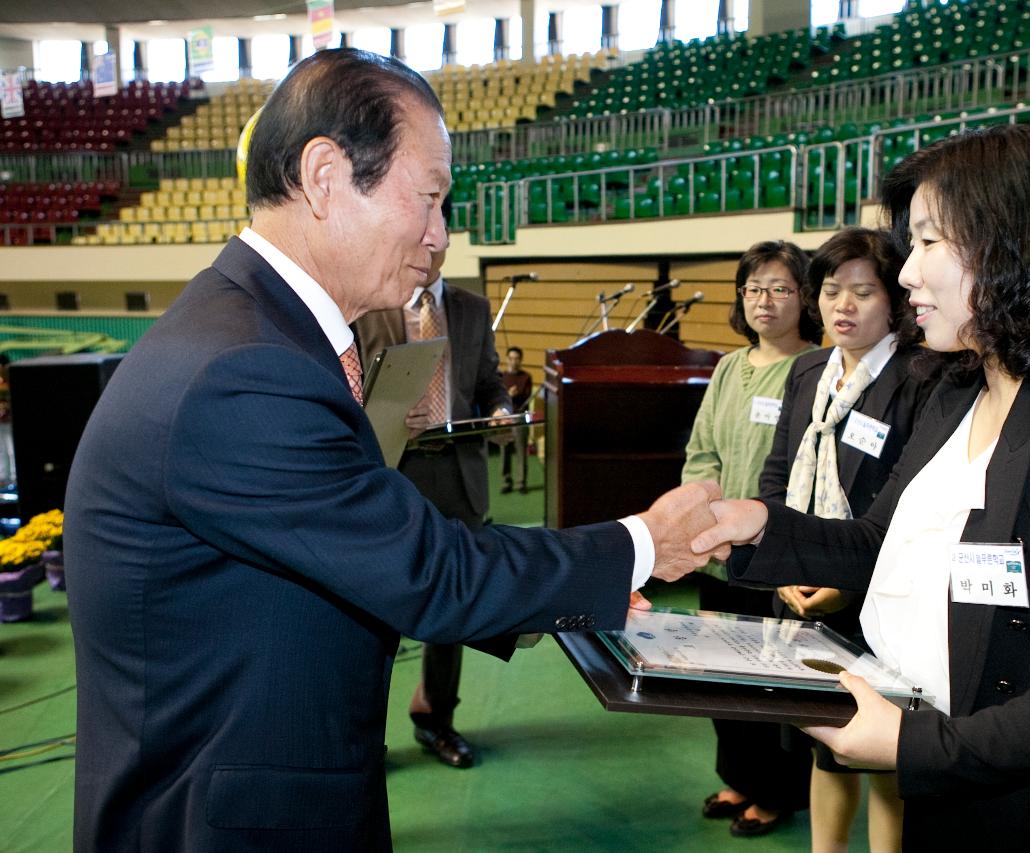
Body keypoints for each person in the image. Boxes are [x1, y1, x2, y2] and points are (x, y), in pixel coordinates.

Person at [64, 48, 721, 852]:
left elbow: (366, 548)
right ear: (326, 175)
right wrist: (644, 543)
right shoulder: (247, 369)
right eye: (432, 198)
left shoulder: (257, 332)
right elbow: (428, 570)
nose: (441, 234)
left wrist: (572, 592)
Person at [692, 124, 1030, 851]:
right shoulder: (956, 390)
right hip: (959, 800)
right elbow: (881, 545)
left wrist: (913, 746)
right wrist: (759, 526)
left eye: (929, 242)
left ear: (1013, 245)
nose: (907, 272)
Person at [757, 227, 934, 853]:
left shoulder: (919, 379)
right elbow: (776, 474)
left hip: (876, 596)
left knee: (887, 754)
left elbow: (914, 506)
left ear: (894, 302)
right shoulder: (808, 371)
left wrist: (844, 579)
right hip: (800, 591)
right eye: (833, 291)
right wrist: (780, 559)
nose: (844, 307)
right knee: (823, 743)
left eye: (863, 292)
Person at [354, 207, 510, 770]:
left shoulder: (471, 308)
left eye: (436, 236)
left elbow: (490, 382)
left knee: (451, 609)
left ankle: (437, 720)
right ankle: (361, 732)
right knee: (375, 610)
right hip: (392, 474)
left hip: (459, 475)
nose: (427, 246)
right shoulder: (371, 304)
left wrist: (499, 410)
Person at [682, 240, 823, 838]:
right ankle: (739, 776)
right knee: (719, 675)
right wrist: (702, 520)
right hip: (719, 553)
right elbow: (701, 451)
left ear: (804, 297)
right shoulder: (727, 367)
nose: (765, 300)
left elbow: (813, 472)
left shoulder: (818, 368)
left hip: (779, 554)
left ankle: (779, 793)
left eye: (781, 288)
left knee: (773, 682)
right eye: (753, 288)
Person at [500, 346, 533, 495]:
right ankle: (506, 481)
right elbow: (499, 398)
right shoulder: (501, 377)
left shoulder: (526, 377)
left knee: (521, 452)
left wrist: (515, 395)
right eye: (511, 358)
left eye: (517, 359)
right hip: (506, 417)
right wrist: (508, 395)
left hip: (519, 417)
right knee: (504, 452)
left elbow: (527, 397)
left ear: (520, 360)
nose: (514, 361)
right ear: (507, 359)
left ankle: (521, 483)